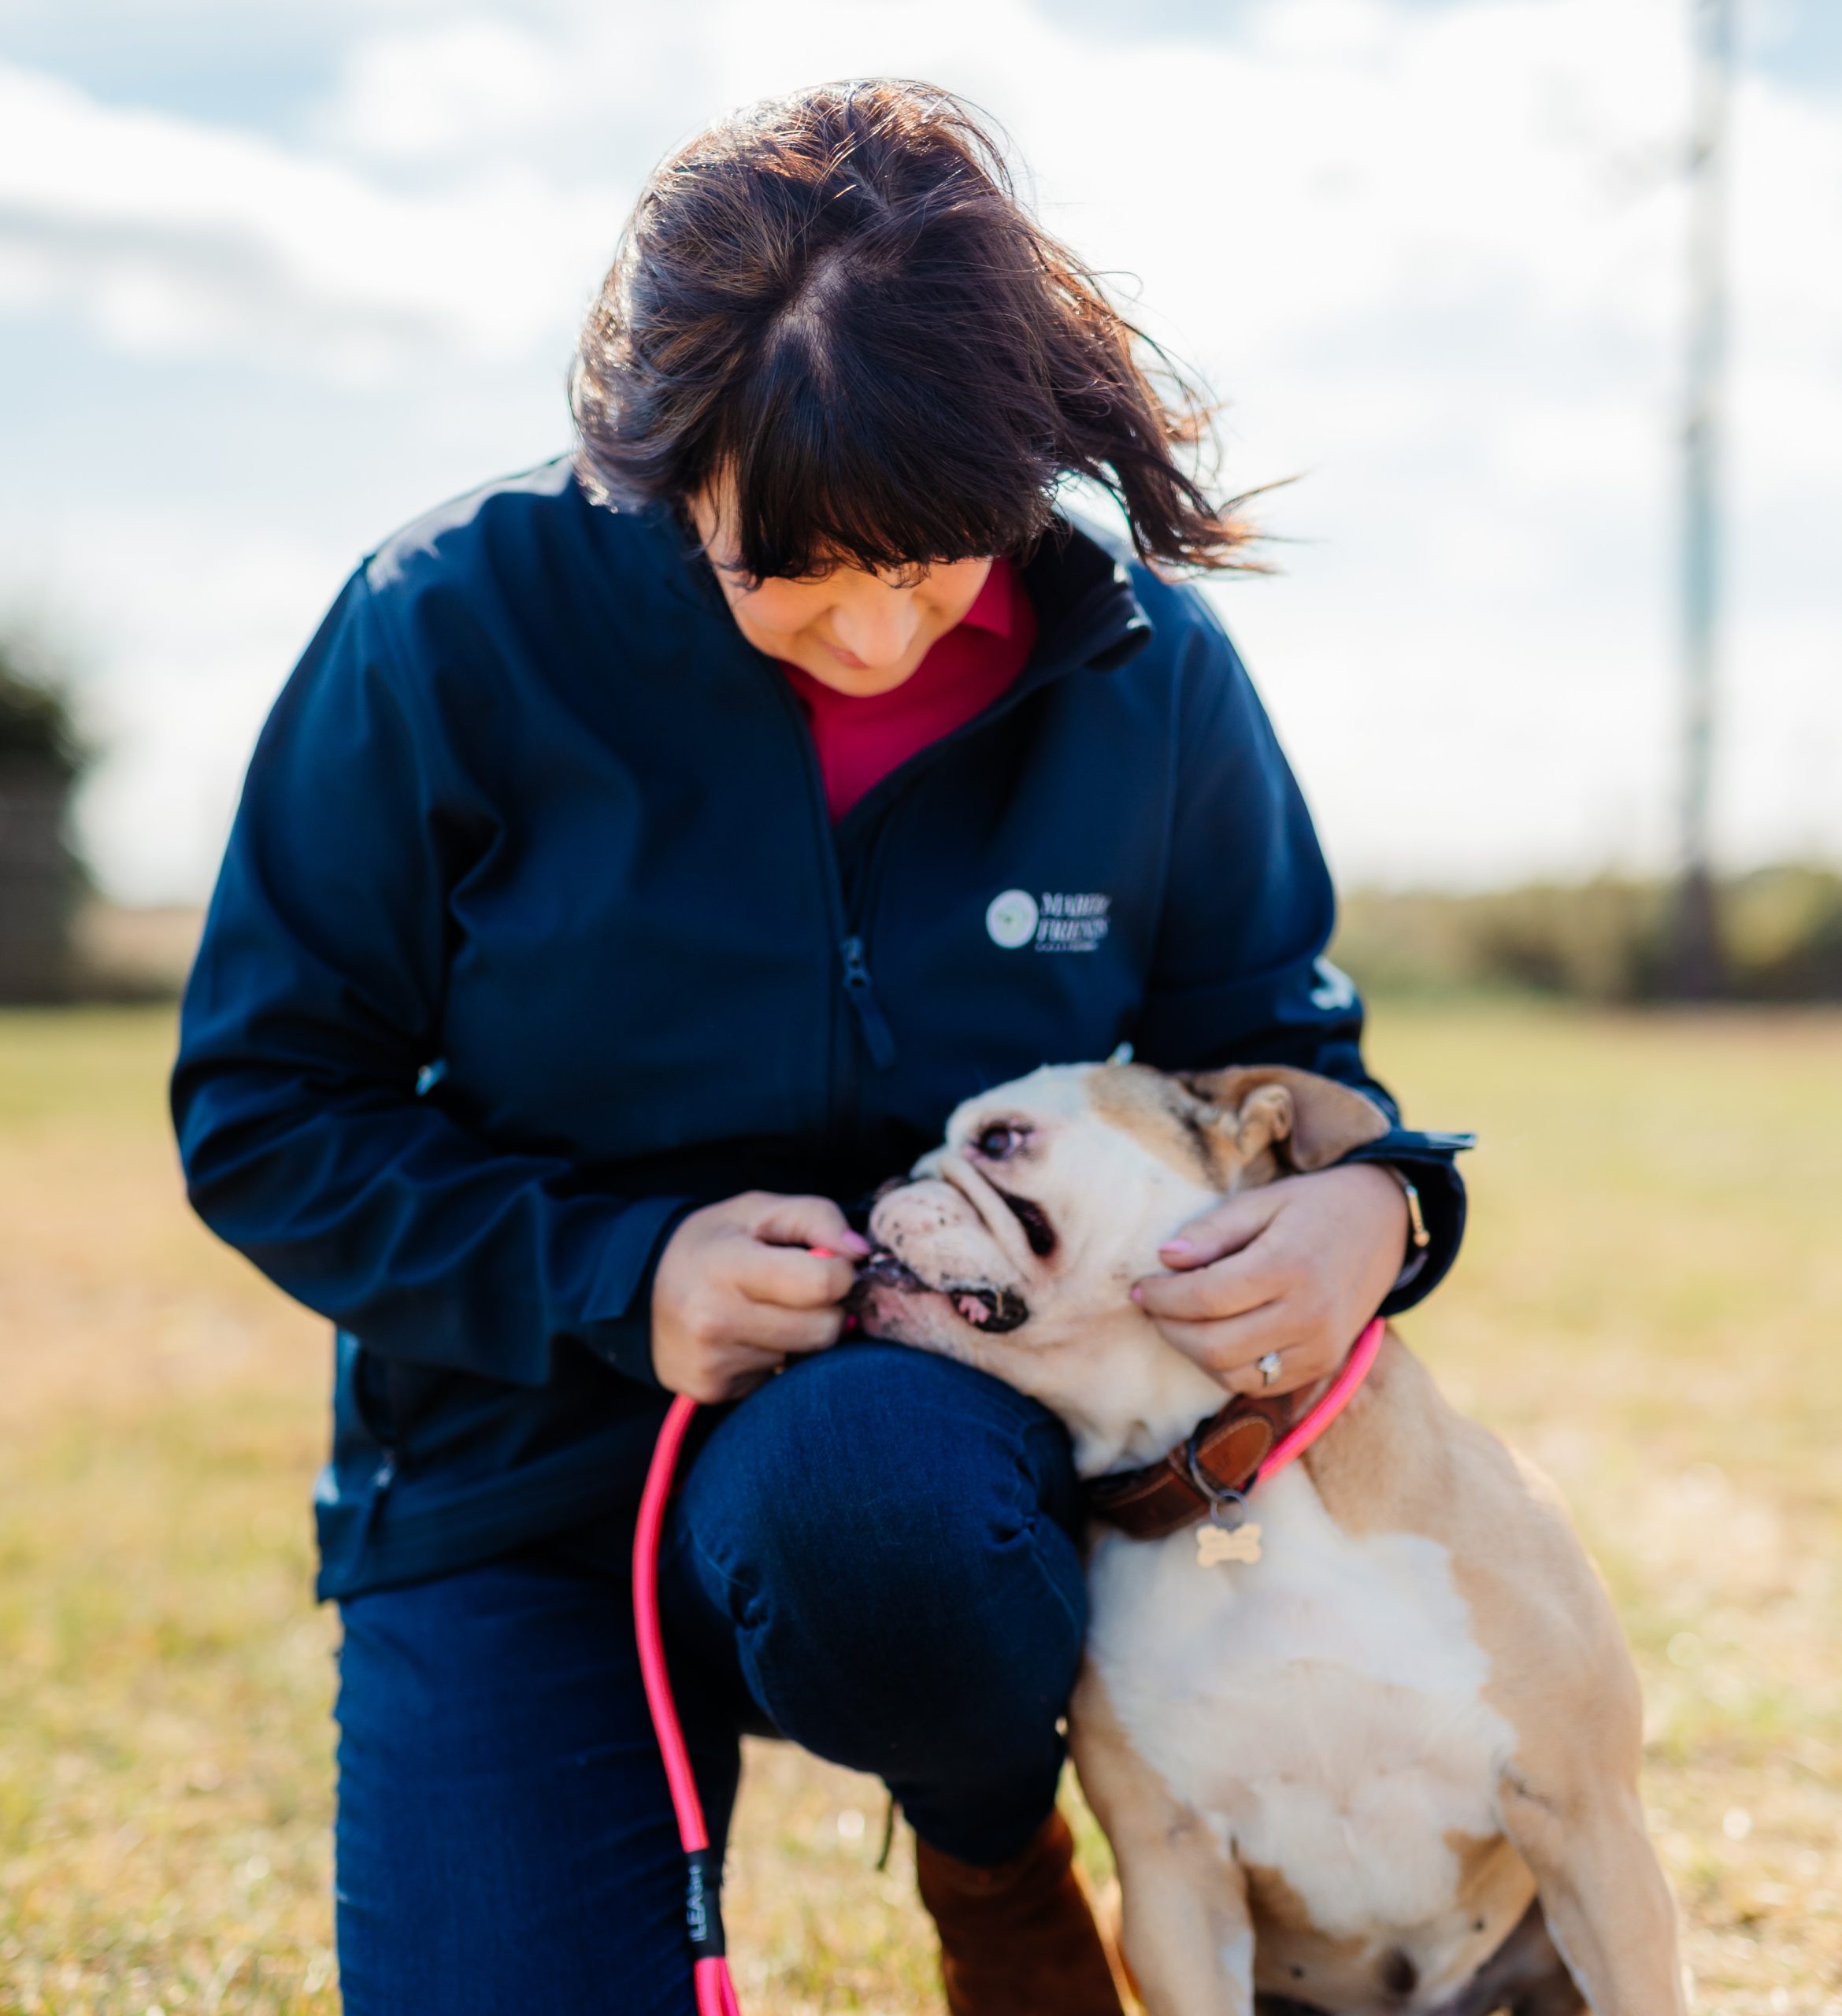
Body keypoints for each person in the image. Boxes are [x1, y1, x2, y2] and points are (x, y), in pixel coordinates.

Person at [172, 80, 1467, 2016]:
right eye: (793, 568)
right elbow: (267, 1105)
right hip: (507, 1484)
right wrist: (626, 1271)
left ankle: (986, 1828)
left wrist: (1379, 1204)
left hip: (928, 1452)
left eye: (934, 559)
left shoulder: (1148, 673)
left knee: (882, 1508)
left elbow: (1270, 1041)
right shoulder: (441, 632)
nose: (874, 634)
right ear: (658, 463)